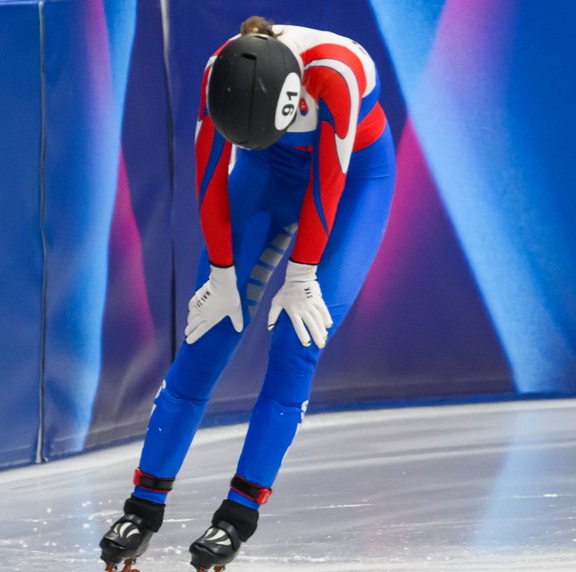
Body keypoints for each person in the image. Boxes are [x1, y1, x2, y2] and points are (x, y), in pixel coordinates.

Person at [100, 15, 397, 572]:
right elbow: (211, 175)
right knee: (207, 336)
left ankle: (239, 514)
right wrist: (219, 271)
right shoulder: (223, 71)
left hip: (354, 183)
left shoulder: (338, 73)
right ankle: (143, 505)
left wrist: (303, 273)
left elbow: (328, 185)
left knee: (295, 342)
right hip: (264, 176)